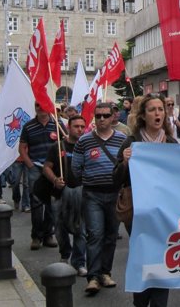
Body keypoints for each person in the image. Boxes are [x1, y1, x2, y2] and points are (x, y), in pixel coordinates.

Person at [114, 94, 176, 307]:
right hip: (138, 211)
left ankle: (159, 303)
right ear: (143, 116)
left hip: (164, 211)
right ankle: (140, 299)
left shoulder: (172, 143)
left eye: (160, 109)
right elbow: (116, 180)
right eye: (152, 110)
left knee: (162, 255)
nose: (157, 113)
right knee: (143, 255)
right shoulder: (132, 143)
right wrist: (125, 162)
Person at [72, 102, 127, 295]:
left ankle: (105, 272)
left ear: (113, 117)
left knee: (111, 235)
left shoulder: (122, 139)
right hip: (92, 194)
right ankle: (93, 277)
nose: (101, 119)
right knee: (95, 234)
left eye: (105, 115)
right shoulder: (84, 141)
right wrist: (89, 180)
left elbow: (128, 165)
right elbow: (76, 167)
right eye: (98, 116)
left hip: (114, 194)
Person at [43, 114, 88, 277]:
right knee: (60, 227)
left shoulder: (87, 146)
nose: (80, 130)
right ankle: (64, 254)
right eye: (76, 126)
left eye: (82, 127)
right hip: (60, 194)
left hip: (81, 194)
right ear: (69, 127)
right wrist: (55, 179)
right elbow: (46, 167)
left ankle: (79, 262)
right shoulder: (58, 147)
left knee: (80, 229)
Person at [18, 102, 59, 250]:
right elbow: (22, 148)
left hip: (53, 169)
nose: (42, 110)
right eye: (38, 107)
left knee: (52, 203)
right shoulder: (28, 126)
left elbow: (65, 141)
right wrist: (29, 164)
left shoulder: (57, 124)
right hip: (36, 167)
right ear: (35, 109)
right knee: (36, 202)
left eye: (44, 107)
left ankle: (49, 234)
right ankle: (36, 236)